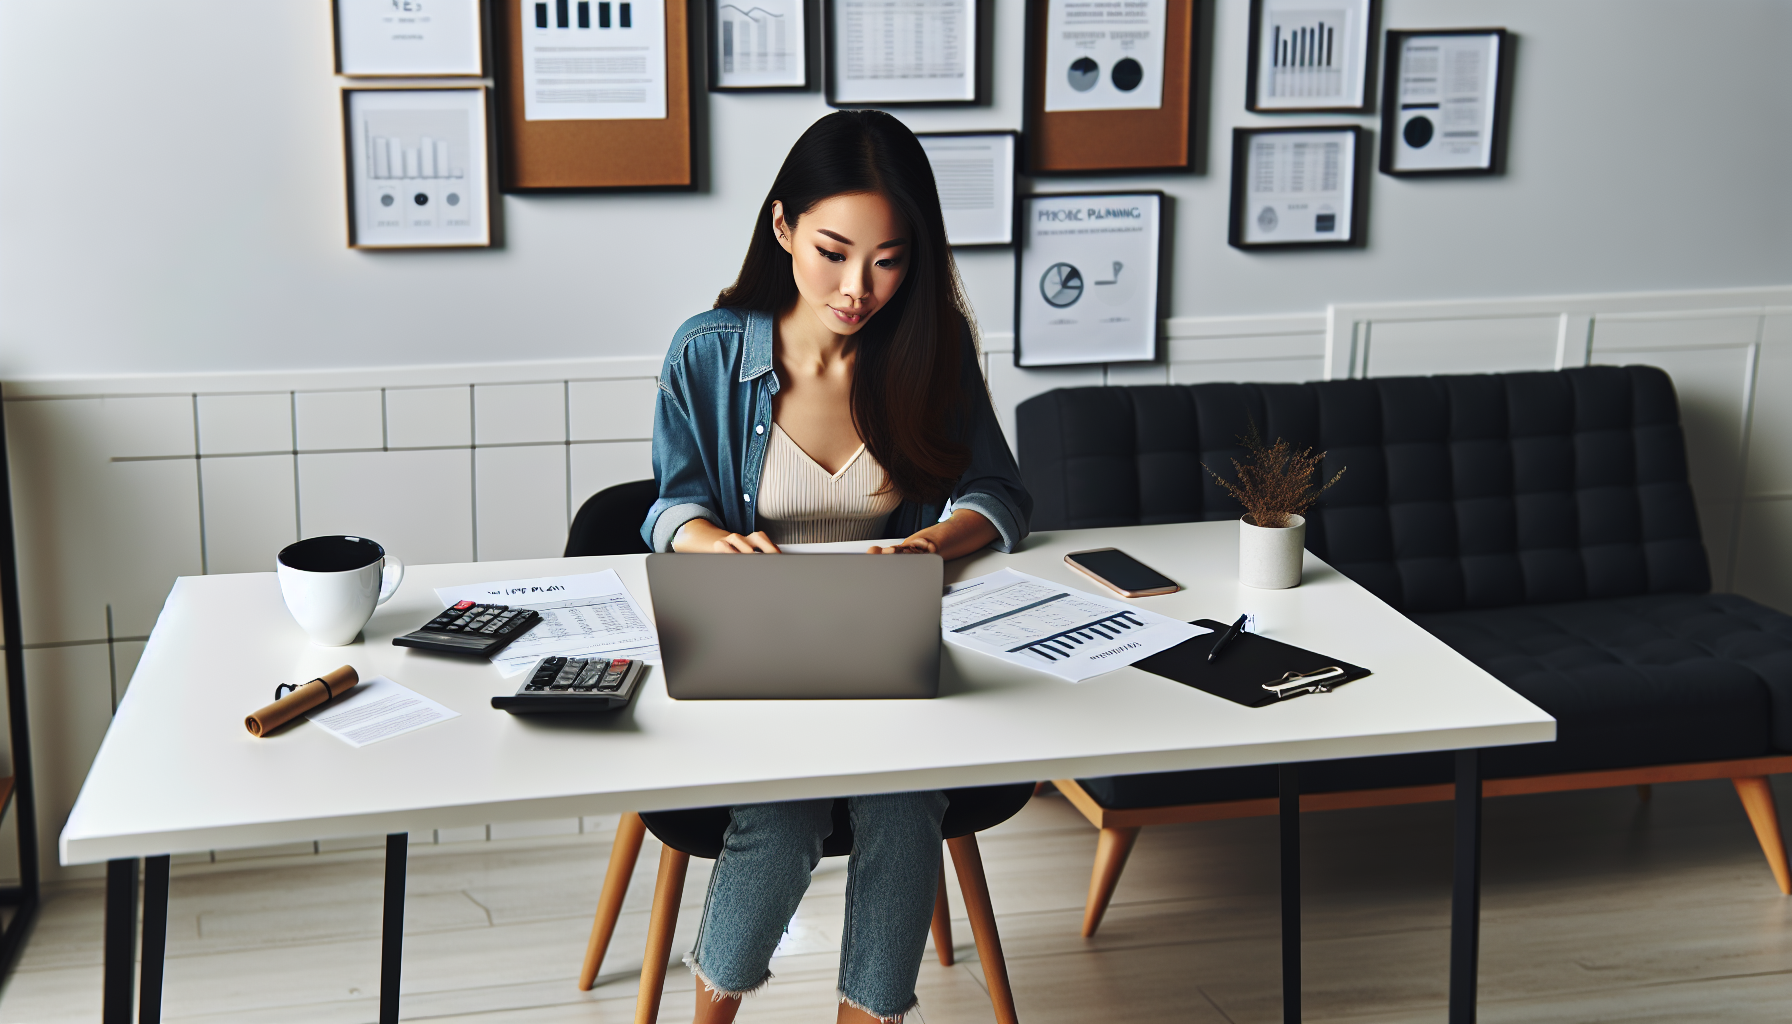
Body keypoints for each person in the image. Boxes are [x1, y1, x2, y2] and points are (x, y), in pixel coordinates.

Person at [641, 109, 1032, 1024]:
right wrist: (710, 542)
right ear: (782, 228)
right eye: (831, 250)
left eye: (890, 259)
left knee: (904, 809)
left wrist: (937, 542)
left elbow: (1001, 495)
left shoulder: (929, 352)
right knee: (779, 821)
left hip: (878, 653)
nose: (859, 287)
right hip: (754, 654)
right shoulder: (708, 351)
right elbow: (669, 504)